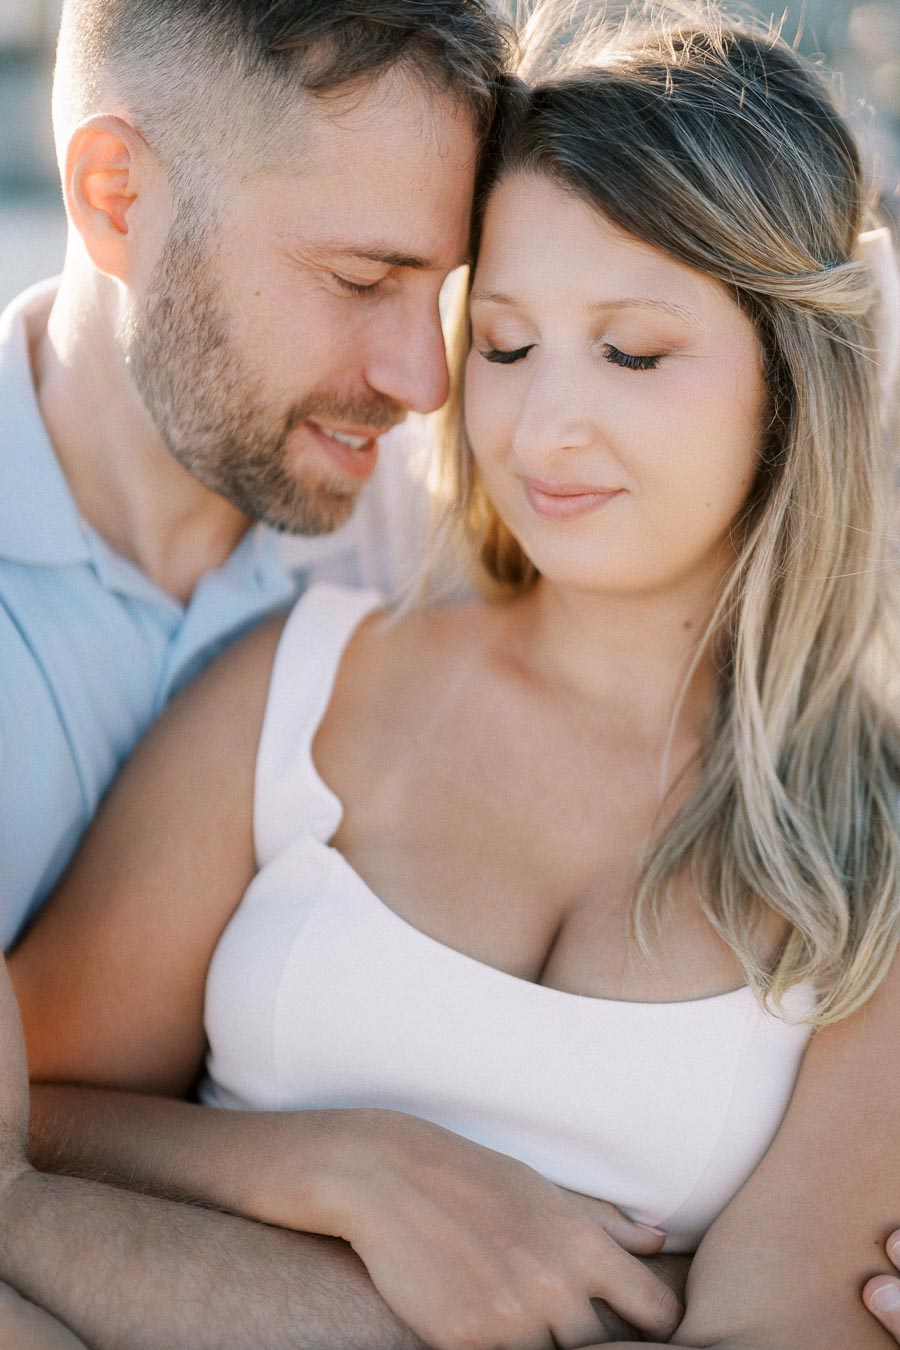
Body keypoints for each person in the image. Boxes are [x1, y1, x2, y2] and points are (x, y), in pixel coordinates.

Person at [12, 6, 899, 1349]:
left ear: (793, 375)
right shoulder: (308, 673)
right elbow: (32, 1114)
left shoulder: (866, 846)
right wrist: (337, 1166)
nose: (525, 419)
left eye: (634, 350)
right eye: (501, 339)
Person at [0, 0, 521, 1343]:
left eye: (448, 291)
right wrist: (308, 1165)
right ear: (118, 199)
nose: (423, 378)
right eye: (360, 280)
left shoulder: (446, 544)